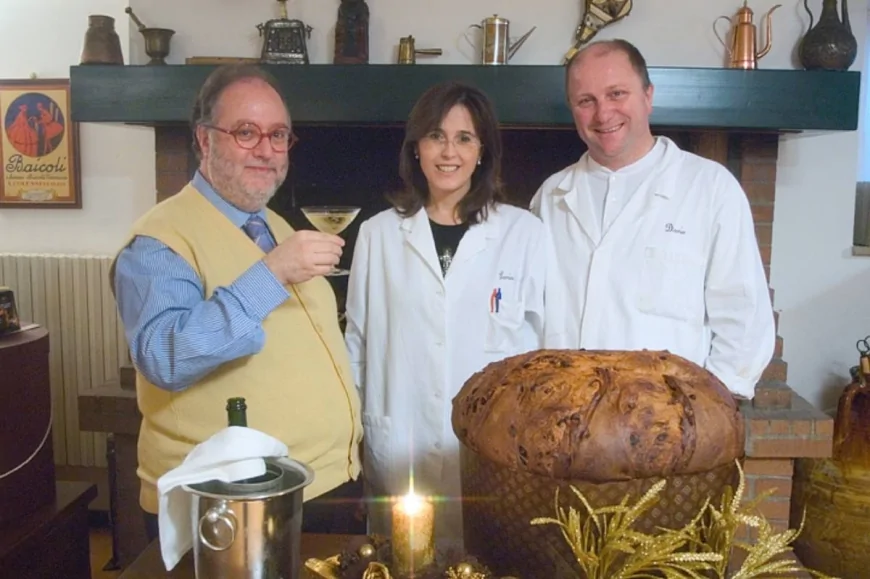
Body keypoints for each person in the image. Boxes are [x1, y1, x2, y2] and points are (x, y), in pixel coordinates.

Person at [110, 63, 364, 541]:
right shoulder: (159, 242)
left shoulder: (276, 226)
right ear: (204, 141)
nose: (266, 150)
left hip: (320, 485)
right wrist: (271, 273)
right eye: (246, 132)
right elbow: (165, 356)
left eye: (279, 135)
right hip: (231, 503)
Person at [344, 80, 549, 547]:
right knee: (402, 563)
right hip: (400, 444)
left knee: (489, 560)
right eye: (436, 136)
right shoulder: (378, 234)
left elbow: (541, 353)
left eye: (464, 138)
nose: (448, 152)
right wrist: (354, 440)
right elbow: (356, 344)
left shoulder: (525, 233)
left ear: (483, 151)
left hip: (492, 451)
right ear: (416, 148)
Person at [531, 39, 775, 400]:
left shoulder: (710, 188)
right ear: (572, 109)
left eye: (617, 93)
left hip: (667, 425)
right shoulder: (551, 197)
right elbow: (529, 316)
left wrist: (705, 412)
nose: (603, 114)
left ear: (648, 95)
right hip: (565, 415)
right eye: (586, 101)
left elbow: (744, 318)